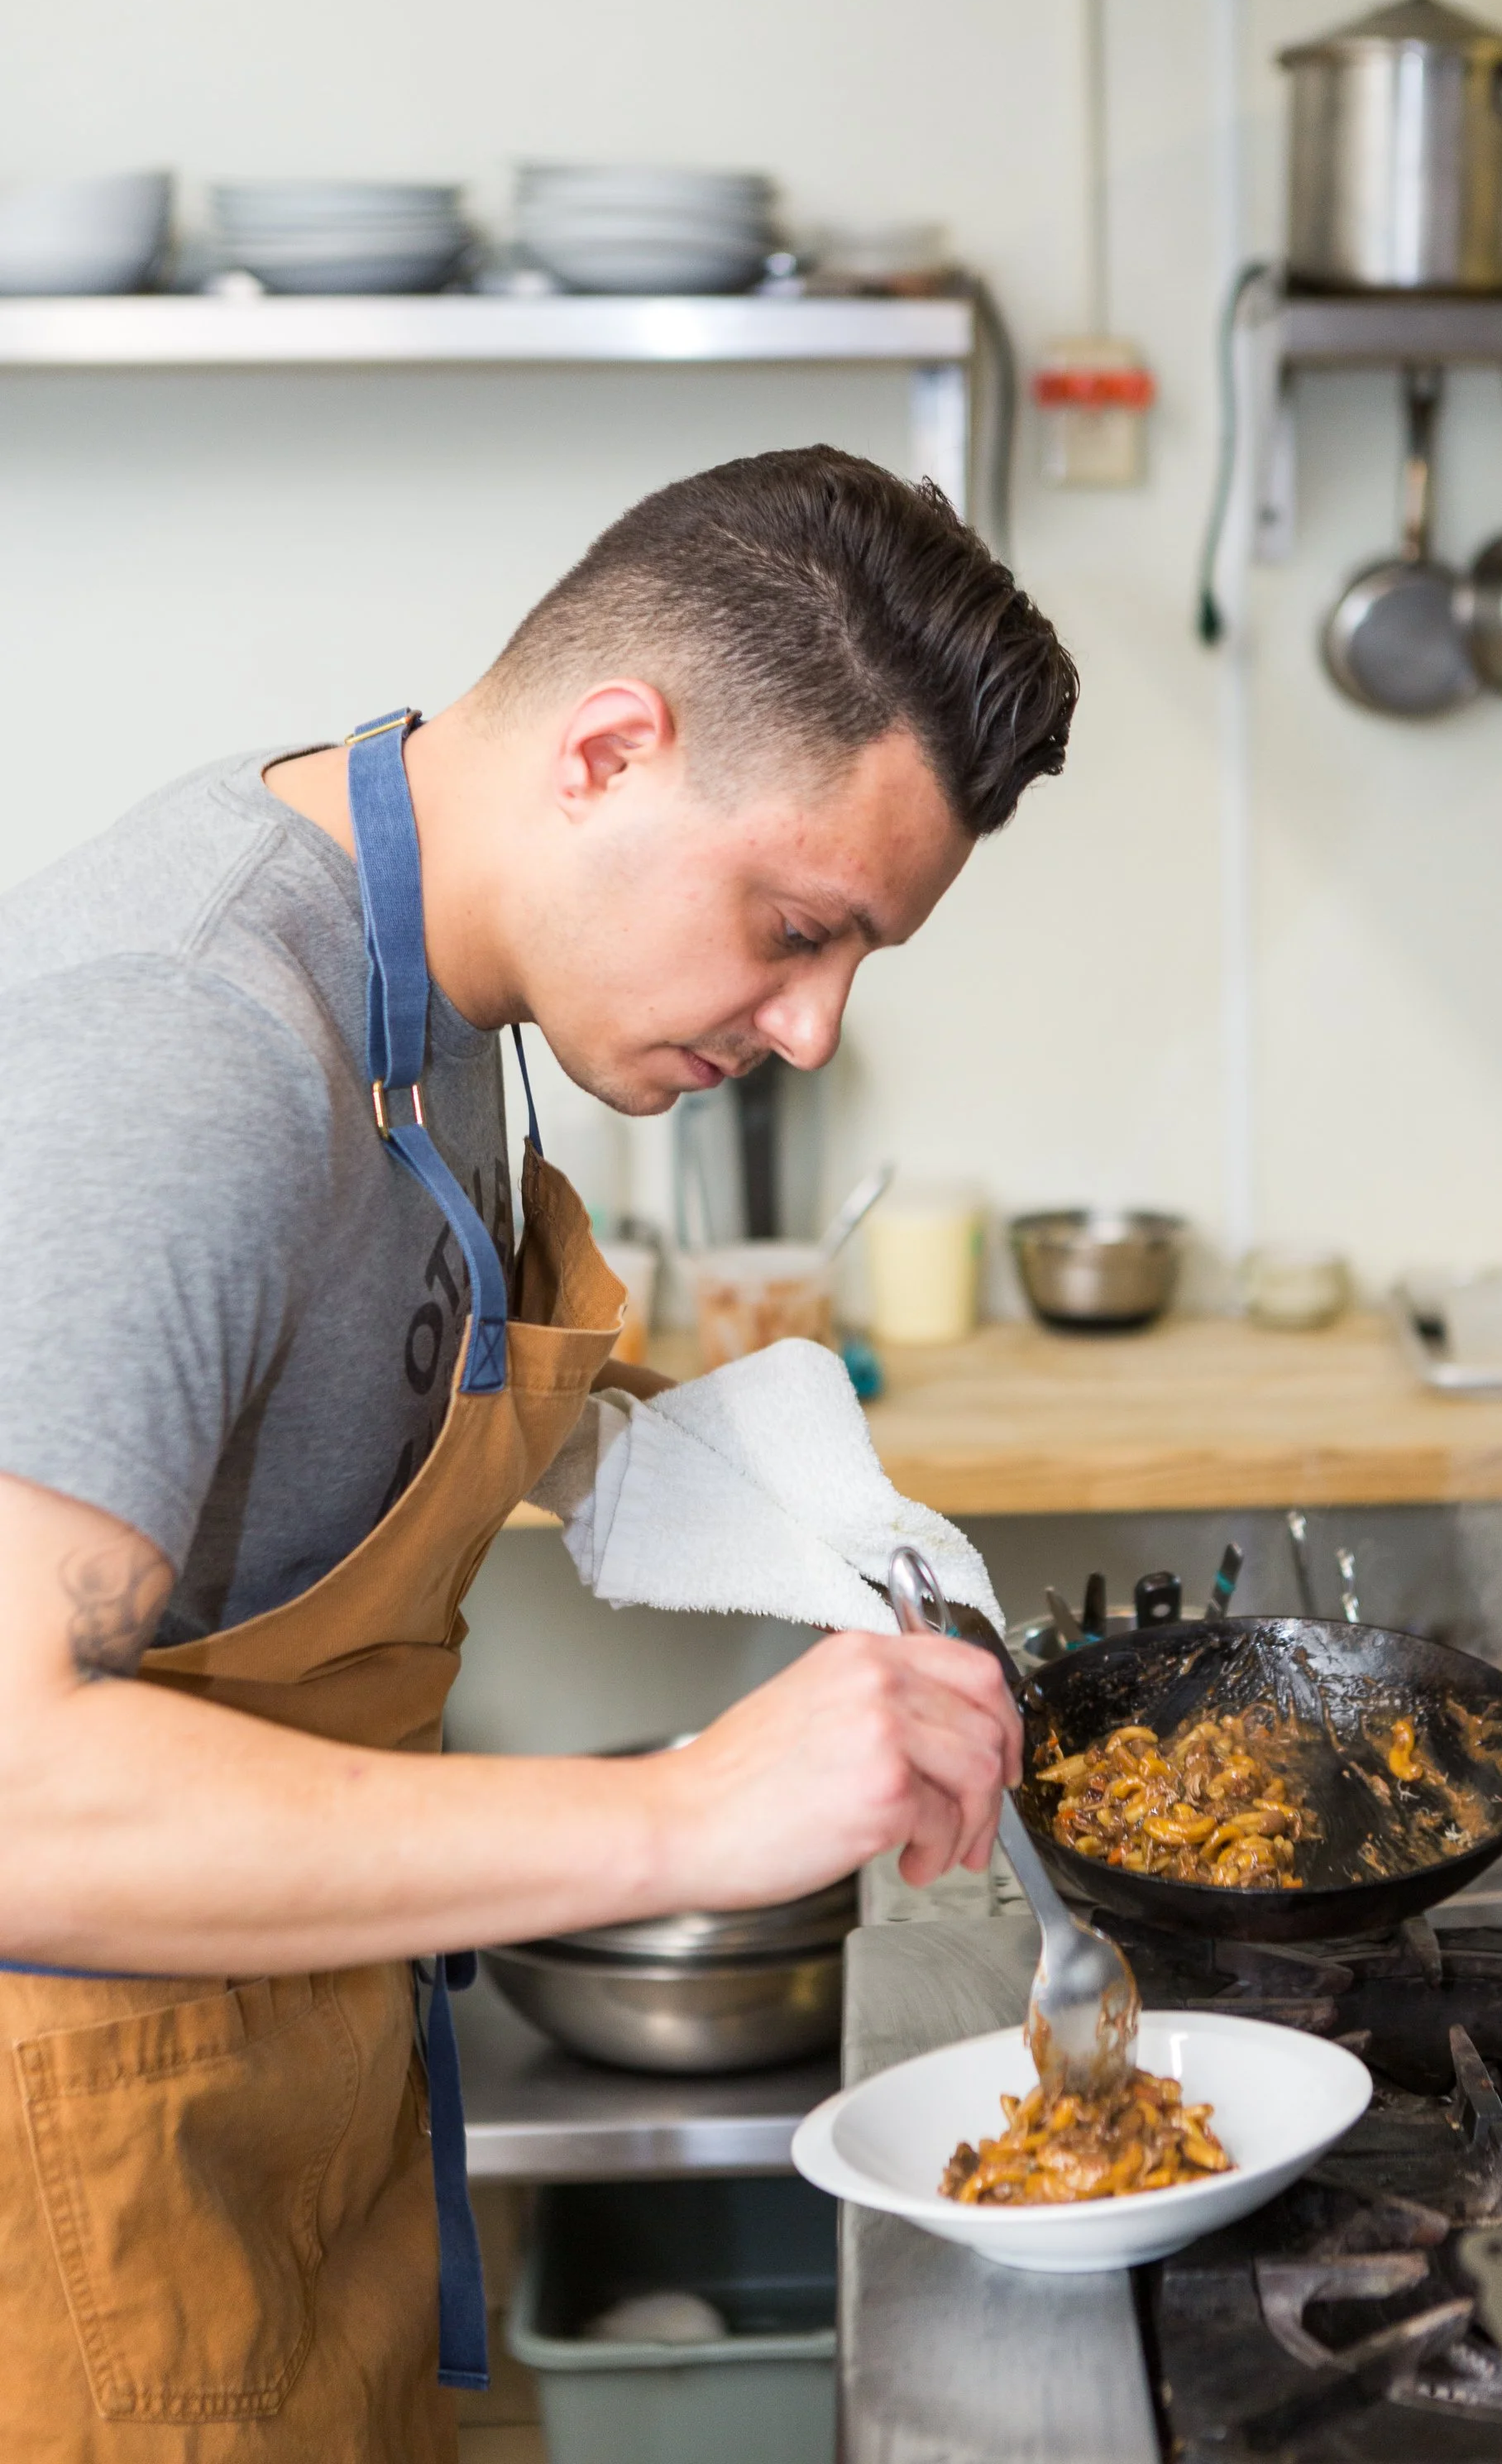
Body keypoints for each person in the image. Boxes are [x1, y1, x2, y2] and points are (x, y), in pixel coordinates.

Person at [0, 444, 1078, 2461]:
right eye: (793, 923)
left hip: (276, 2125)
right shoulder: (191, 1043)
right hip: (65, 2226)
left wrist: (768, 1502)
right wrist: (679, 1818)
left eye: (861, 959)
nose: (817, 1030)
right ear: (608, 751)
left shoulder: (437, 998)